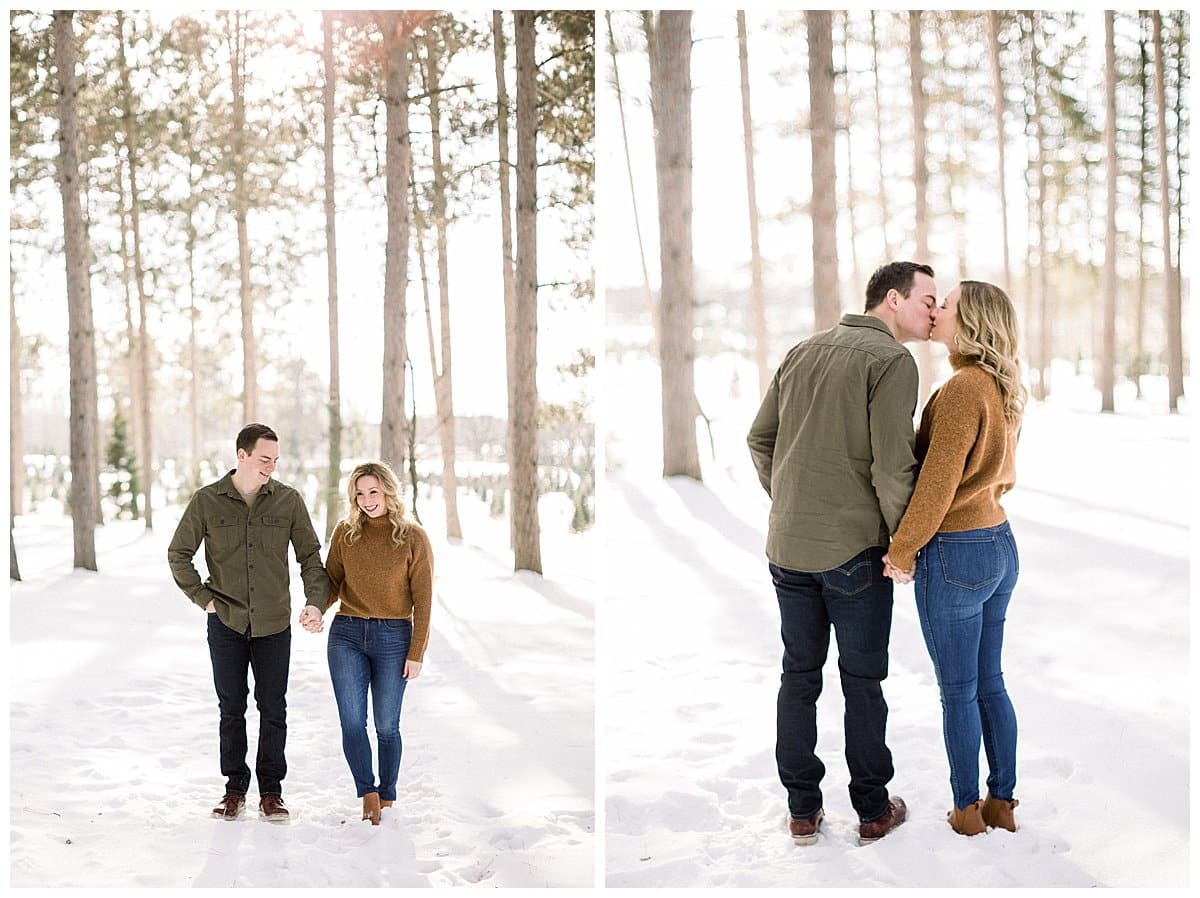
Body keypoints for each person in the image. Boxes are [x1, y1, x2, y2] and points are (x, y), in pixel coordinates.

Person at [748, 261, 938, 846]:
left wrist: (793, 501)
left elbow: (760, 438)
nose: (934, 311)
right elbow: (892, 464)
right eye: (927, 299)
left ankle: (803, 810)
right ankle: (874, 810)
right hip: (854, 553)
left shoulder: (803, 350)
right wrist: (905, 544)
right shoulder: (891, 361)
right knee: (862, 681)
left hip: (787, 547)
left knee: (798, 676)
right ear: (891, 299)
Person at [882, 281, 1026, 837]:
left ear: (972, 322)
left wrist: (901, 549)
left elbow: (938, 484)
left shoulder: (964, 388)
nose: (937, 310)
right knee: (989, 681)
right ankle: (1002, 803)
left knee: (960, 690)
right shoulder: (996, 384)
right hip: (999, 544)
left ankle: (967, 811)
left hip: (958, 553)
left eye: (948, 304)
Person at [167, 423, 329, 823]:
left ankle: (271, 793)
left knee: (273, 708)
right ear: (241, 455)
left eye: (275, 460)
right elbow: (178, 554)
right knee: (231, 708)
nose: (270, 467)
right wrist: (203, 599)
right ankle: (234, 789)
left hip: (274, 624)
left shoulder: (289, 501)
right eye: (263, 459)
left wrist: (315, 604)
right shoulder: (207, 501)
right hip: (227, 623)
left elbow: (311, 558)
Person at [300, 461, 433, 826]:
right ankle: (367, 792)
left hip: (394, 637)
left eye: (373, 491)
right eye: (359, 493)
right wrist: (316, 608)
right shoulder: (346, 533)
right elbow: (332, 583)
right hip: (347, 634)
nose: (367, 500)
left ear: (389, 491)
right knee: (352, 722)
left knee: (387, 725)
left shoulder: (413, 537)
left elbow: (423, 598)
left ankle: (387, 793)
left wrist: (416, 651)